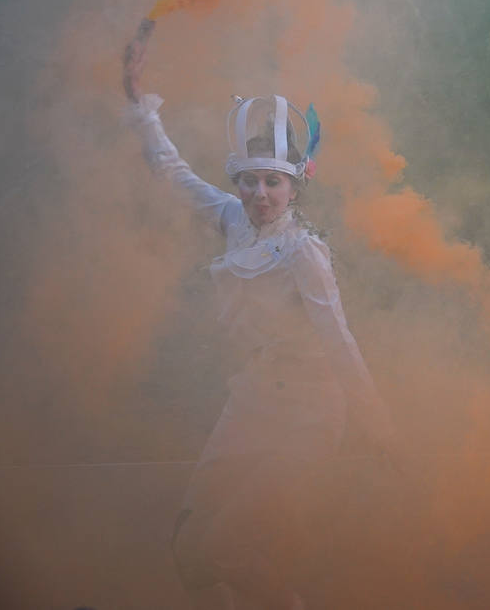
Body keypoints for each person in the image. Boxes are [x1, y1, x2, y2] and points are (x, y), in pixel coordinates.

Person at [123, 35, 400, 610]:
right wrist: (140, 106)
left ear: (294, 187)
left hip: (307, 413)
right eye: (250, 181)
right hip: (249, 403)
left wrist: (377, 426)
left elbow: (339, 340)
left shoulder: (305, 252)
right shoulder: (232, 219)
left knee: (232, 548)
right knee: (190, 550)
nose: (259, 193)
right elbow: (173, 173)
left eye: (273, 182)